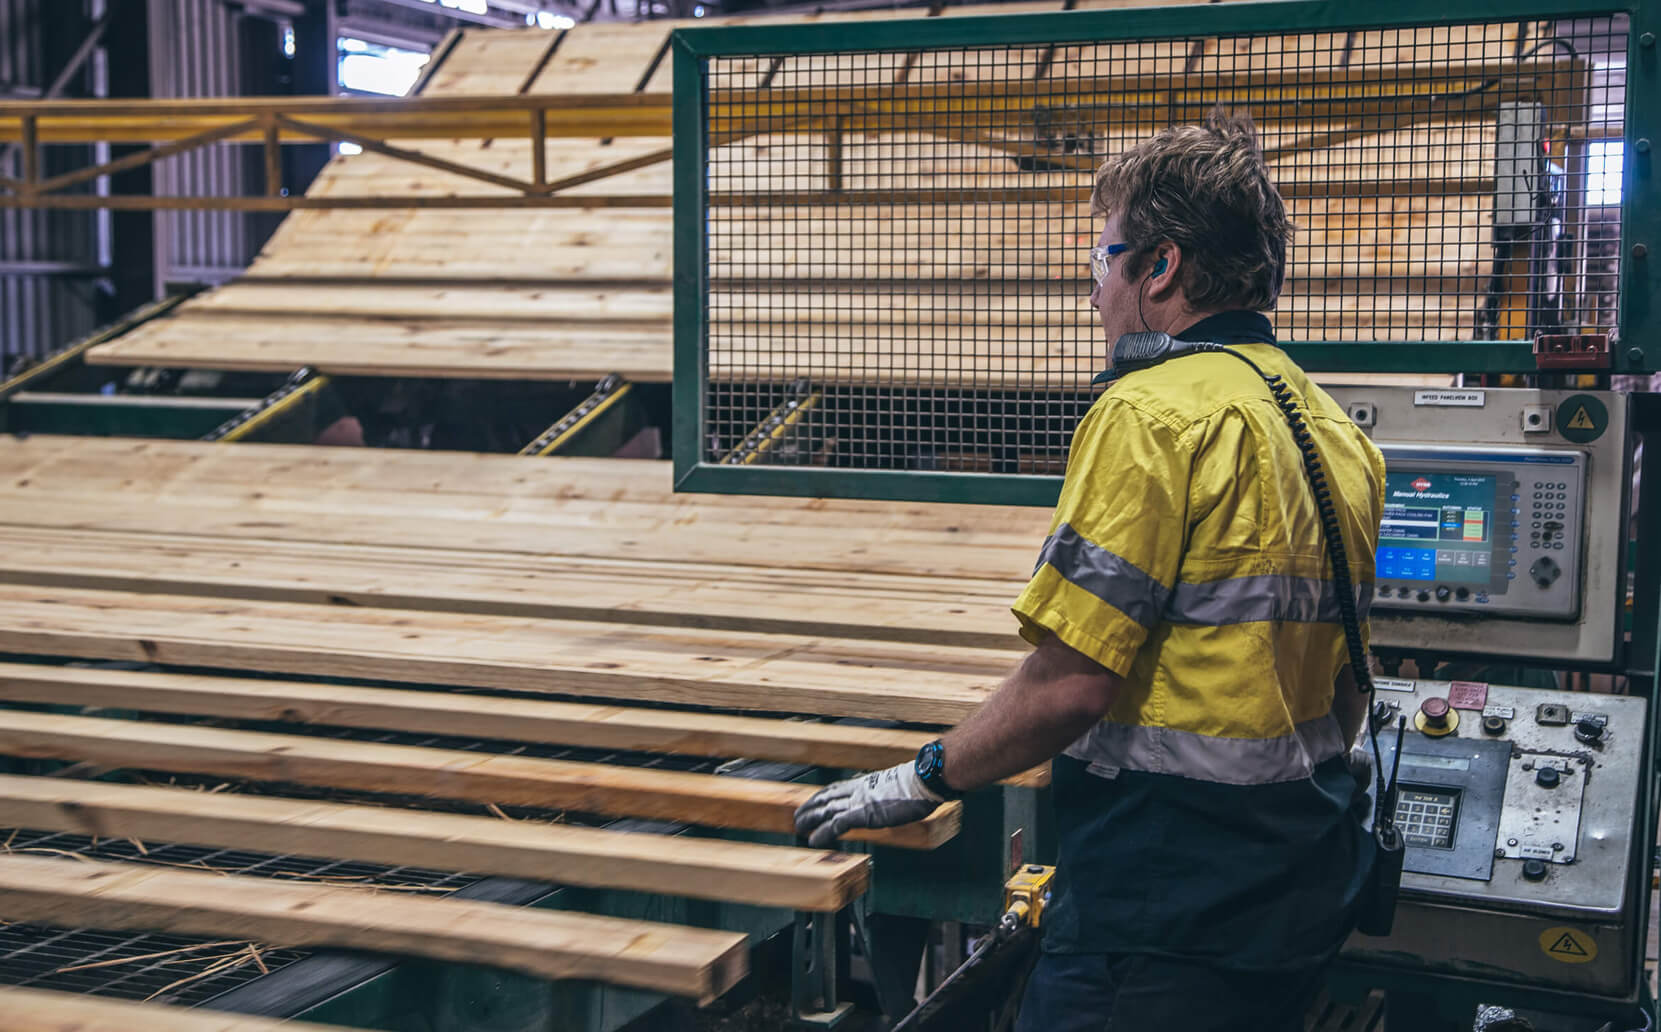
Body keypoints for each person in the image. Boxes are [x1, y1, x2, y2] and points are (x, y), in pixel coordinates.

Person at [794, 110, 1386, 1031]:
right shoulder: (1330, 428)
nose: (1093, 293)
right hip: (1291, 883)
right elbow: (1343, 692)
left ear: (1161, 267)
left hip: (1163, 903)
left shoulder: (1149, 416)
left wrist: (918, 779)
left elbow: (1070, 686)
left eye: (1101, 260)